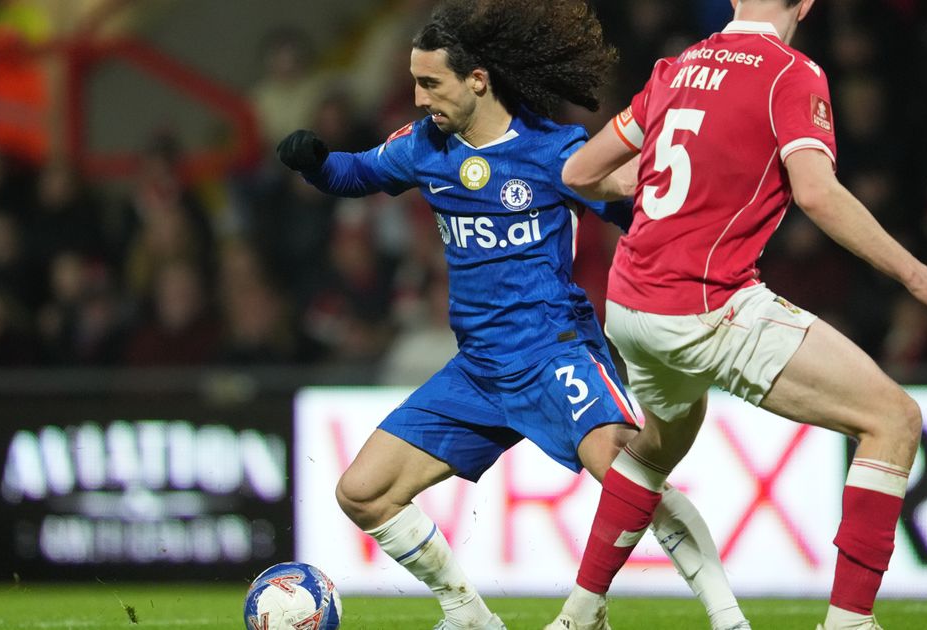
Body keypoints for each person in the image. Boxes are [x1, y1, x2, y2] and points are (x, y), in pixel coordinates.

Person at [275, 2, 750, 629]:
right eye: (415, 82)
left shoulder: (558, 153)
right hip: (478, 370)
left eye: (430, 83)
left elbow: (641, 217)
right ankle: (468, 615)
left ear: (477, 79)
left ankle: (728, 618)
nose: (418, 98)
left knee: (633, 480)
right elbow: (355, 172)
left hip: (555, 354)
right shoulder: (424, 146)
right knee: (362, 493)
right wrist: (314, 161)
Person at [551, 1, 927, 629]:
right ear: (807, 4)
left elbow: (579, 172)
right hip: (705, 307)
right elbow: (817, 193)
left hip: (631, 306)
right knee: (893, 419)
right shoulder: (790, 73)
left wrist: (653, 179)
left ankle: (579, 613)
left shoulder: (677, 68)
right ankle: (850, 623)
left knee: (656, 448)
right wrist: (917, 274)